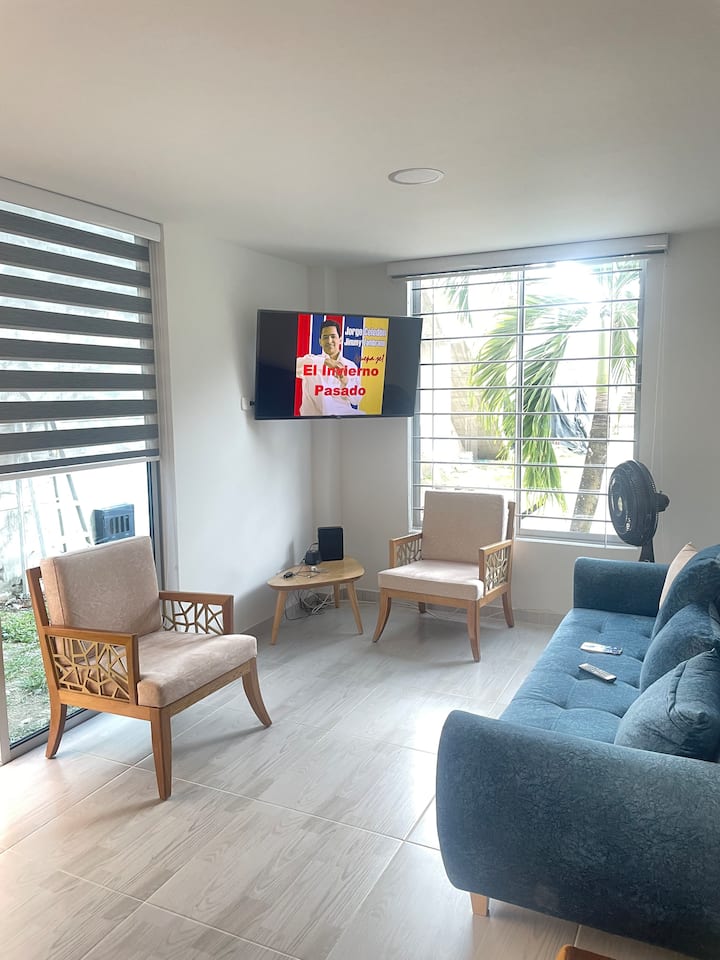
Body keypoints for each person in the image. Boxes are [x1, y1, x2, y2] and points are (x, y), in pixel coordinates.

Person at [295, 319, 365, 416]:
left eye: (333, 336)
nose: (329, 341)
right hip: (313, 419)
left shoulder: (350, 366)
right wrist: (325, 362)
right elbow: (294, 365)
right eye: (325, 337)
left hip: (342, 418)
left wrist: (346, 382)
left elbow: (357, 400)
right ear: (320, 341)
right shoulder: (311, 361)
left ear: (340, 340)